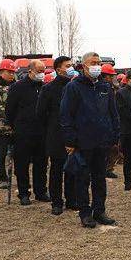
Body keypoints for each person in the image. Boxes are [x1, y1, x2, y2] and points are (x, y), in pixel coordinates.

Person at [60, 52, 120, 227]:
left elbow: (113, 113)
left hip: (102, 141)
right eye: (93, 63)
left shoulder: (104, 86)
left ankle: (99, 210)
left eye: (99, 63)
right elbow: (65, 115)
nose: (97, 66)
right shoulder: (74, 87)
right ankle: (85, 213)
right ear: (84, 65)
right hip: (82, 142)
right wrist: (70, 141)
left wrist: (115, 135)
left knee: (100, 178)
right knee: (82, 178)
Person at [36, 56, 77, 215]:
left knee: (72, 169)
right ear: (59, 69)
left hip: (73, 135)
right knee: (56, 169)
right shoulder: (48, 89)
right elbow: (41, 114)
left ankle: (71, 200)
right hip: (56, 135)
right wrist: (52, 129)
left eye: (71, 65)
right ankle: (57, 202)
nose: (71, 68)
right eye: (68, 65)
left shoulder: (75, 86)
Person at [6, 59, 49, 205]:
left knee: (41, 164)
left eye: (44, 71)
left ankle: (41, 191)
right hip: (23, 133)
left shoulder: (44, 87)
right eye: (39, 71)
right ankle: (24, 193)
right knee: (22, 165)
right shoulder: (18, 87)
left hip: (41, 133)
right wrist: (16, 127)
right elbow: (10, 110)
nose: (42, 74)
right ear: (30, 71)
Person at [0, 59, 17, 188]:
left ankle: (18, 176)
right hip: (1, 127)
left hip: (17, 128)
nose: (11, 74)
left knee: (18, 154)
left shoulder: (17, 86)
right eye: (9, 72)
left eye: (13, 72)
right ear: (1, 72)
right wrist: (13, 118)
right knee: (1, 155)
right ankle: (2, 178)